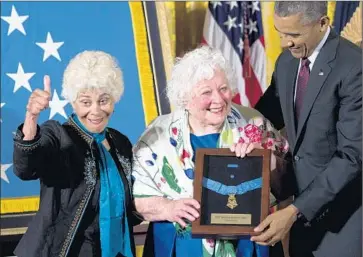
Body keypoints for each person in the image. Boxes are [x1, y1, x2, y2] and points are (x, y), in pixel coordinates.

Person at [131, 46, 290, 257]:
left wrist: (264, 158)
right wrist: (168, 208)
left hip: (248, 244)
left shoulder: (254, 123)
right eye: (207, 92)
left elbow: (287, 182)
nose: (219, 99)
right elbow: (137, 197)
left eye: (223, 88)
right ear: (185, 97)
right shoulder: (157, 135)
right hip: (181, 247)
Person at [253, 2, 362, 257]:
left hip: (345, 221)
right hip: (301, 223)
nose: (284, 43)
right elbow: (262, 118)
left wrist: (293, 211)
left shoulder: (354, 68)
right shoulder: (286, 64)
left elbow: (352, 157)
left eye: (293, 35)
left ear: (322, 23)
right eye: (280, 33)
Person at [13, 50, 140, 257]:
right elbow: (25, 168)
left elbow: (129, 207)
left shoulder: (120, 142)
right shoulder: (57, 135)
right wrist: (31, 117)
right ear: (72, 102)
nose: (96, 111)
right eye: (86, 102)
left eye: (103, 100)